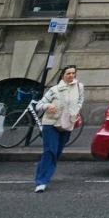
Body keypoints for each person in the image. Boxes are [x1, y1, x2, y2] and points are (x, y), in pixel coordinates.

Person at [33, 65, 84, 193]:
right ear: (62, 75)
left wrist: (76, 111)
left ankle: (43, 172)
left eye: (73, 73)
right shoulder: (54, 90)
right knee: (50, 151)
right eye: (68, 73)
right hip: (50, 124)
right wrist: (47, 105)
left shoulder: (79, 87)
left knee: (56, 152)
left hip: (67, 124)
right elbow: (39, 105)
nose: (71, 75)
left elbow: (80, 100)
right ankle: (41, 181)